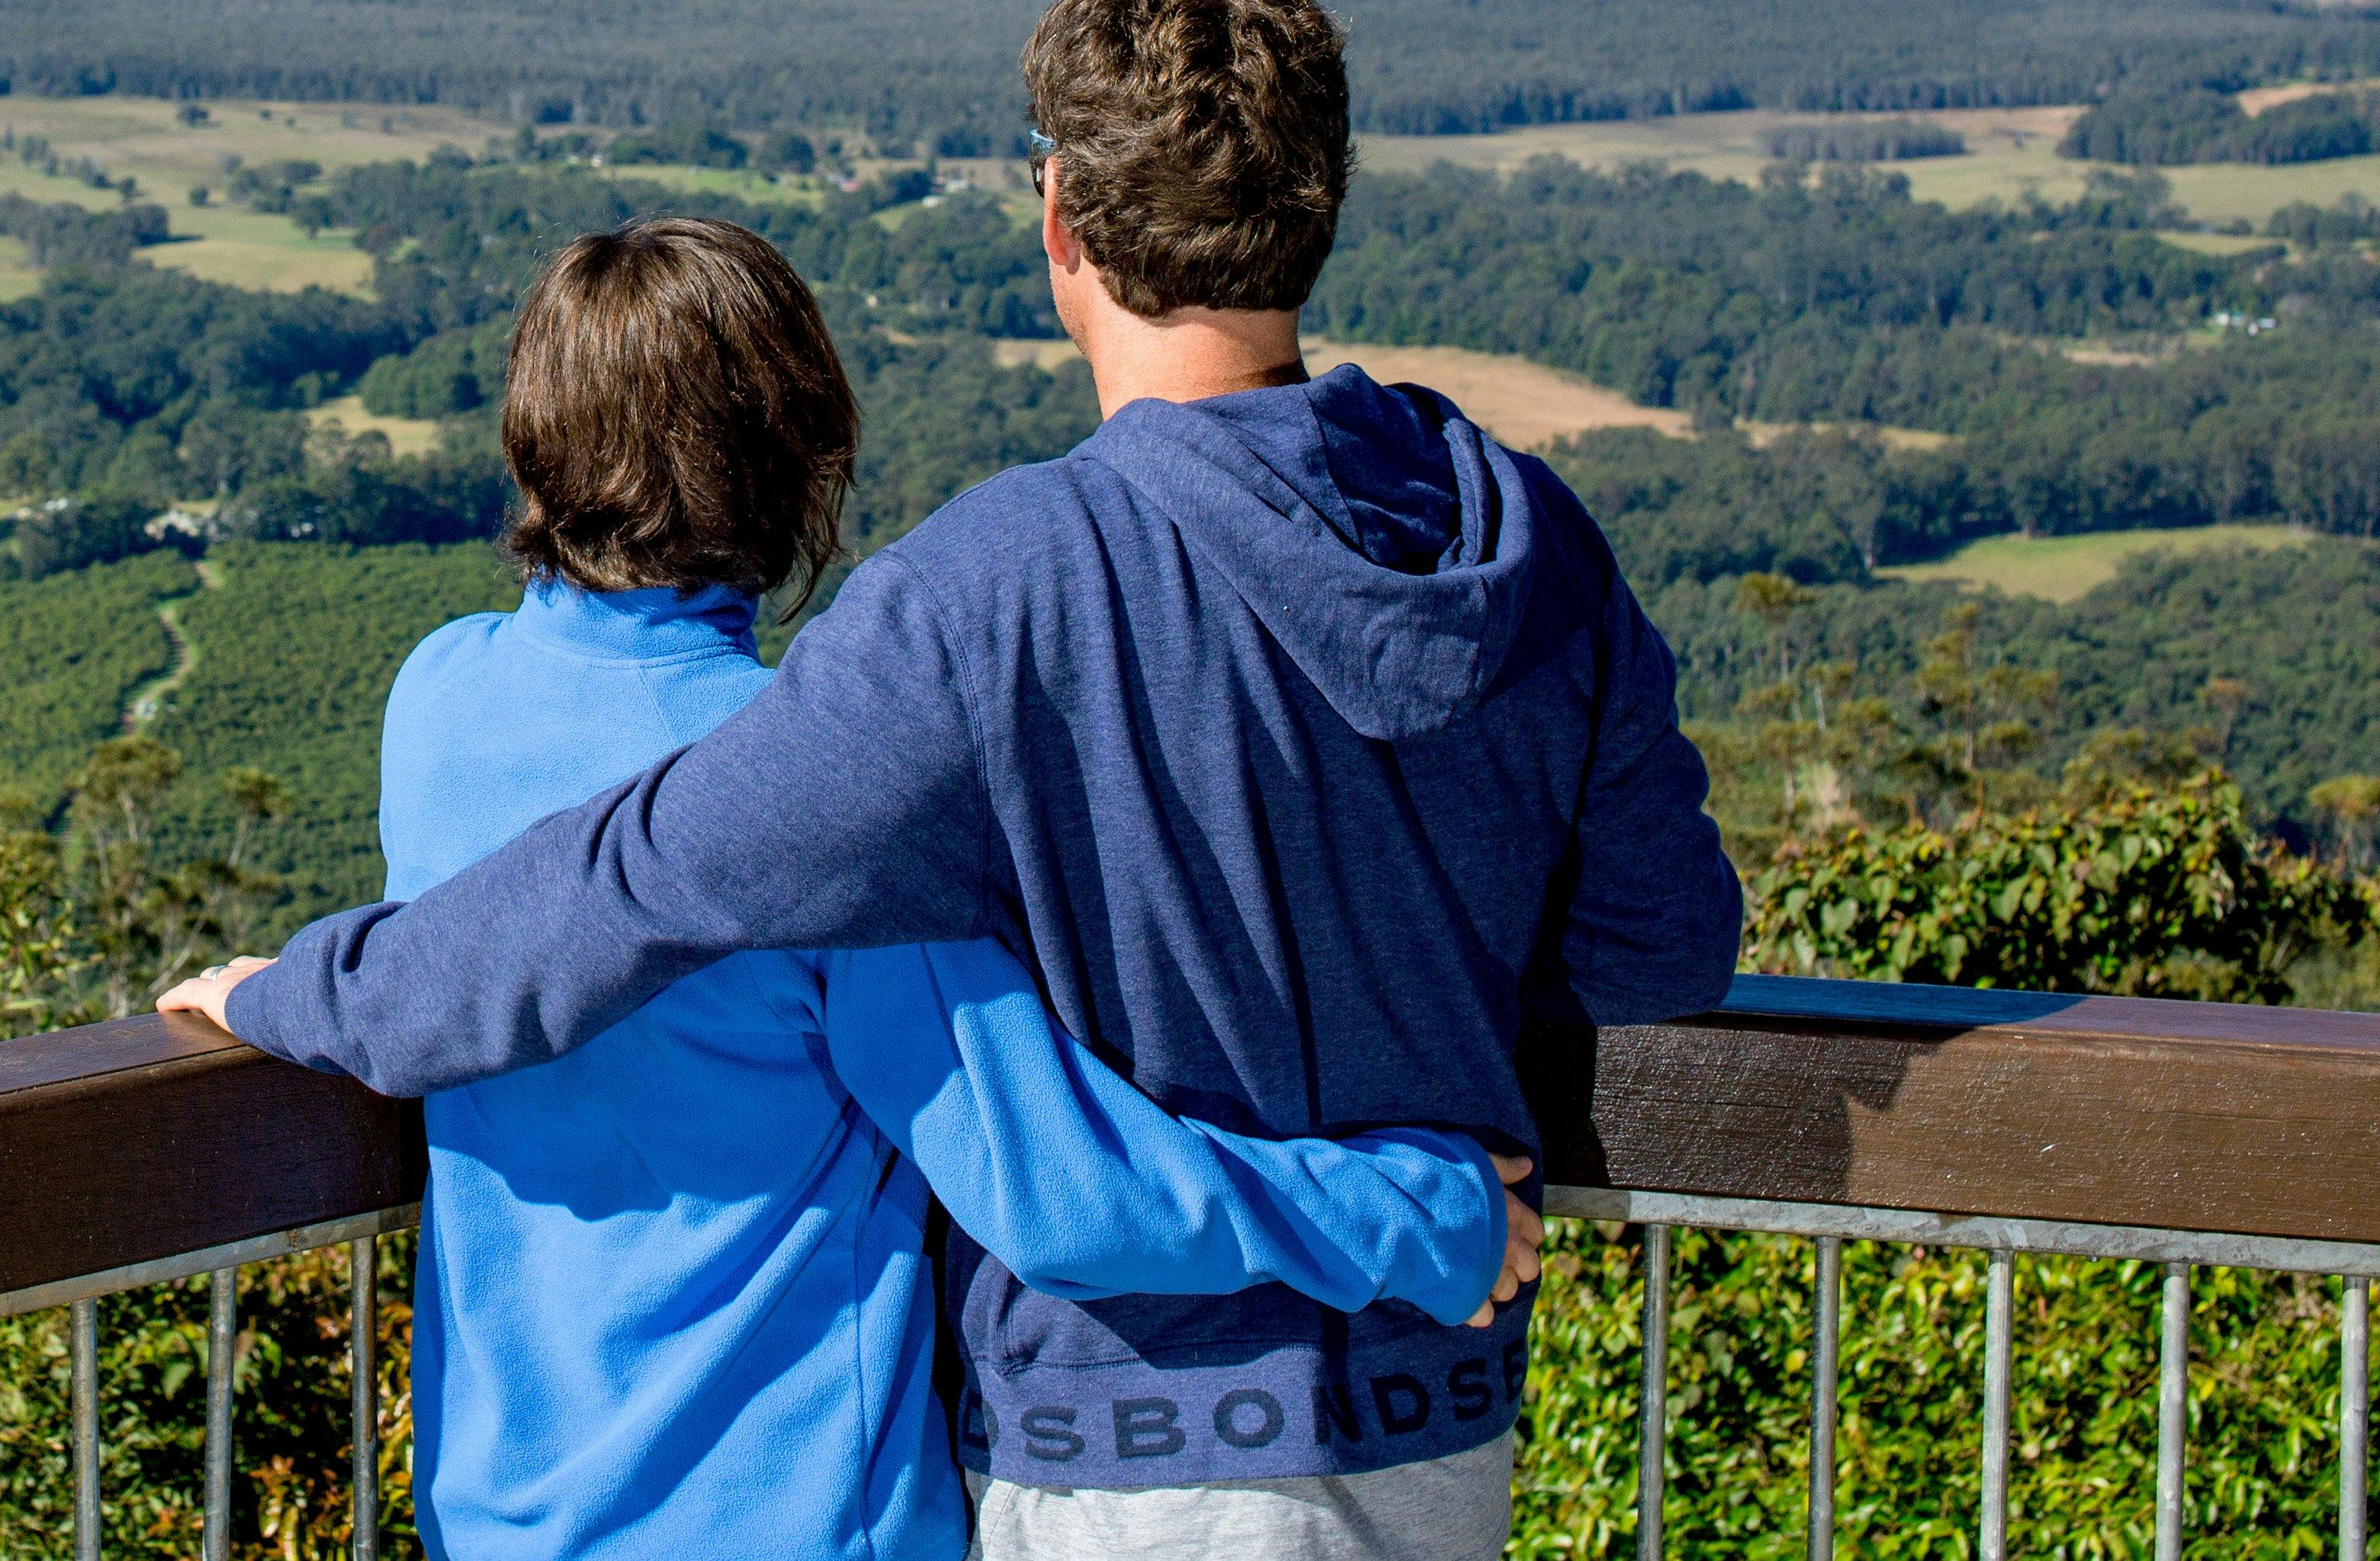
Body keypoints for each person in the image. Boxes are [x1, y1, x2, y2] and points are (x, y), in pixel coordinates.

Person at [167, 0, 1746, 1559]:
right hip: (1441, 1411)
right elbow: (1660, 942)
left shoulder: (992, 592)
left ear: (1058, 215)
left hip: (1114, 1432)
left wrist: (303, 990)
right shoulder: (1524, 535)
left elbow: (638, 876)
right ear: (1317, 202)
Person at [268, 213, 1535, 1561]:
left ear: (536, 438)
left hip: (499, 1520)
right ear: (795, 462)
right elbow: (1064, 1188)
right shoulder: (819, 799)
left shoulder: (437, 701)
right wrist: (1416, 1220)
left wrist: (266, 990)